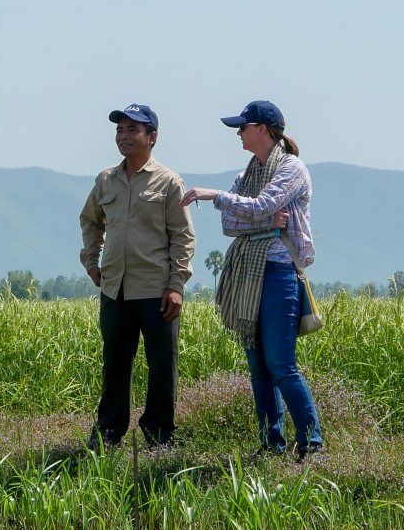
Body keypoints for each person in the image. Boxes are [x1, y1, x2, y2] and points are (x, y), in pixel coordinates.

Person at [180, 100, 324, 459]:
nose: (239, 134)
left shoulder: (292, 169)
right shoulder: (246, 175)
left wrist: (216, 195)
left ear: (262, 129)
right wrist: (262, 224)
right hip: (249, 274)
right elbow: (231, 224)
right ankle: (270, 443)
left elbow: (259, 204)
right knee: (258, 366)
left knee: (281, 365)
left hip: (278, 275)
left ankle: (312, 442)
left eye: (243, 127)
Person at [79, 103, 196, 448]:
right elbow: (89, 220)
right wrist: (91, 260)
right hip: (114, 288)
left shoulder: (169, 182)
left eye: (132, 130)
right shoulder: (105, 179)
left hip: (156, 290)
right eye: (120, 130)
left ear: (152, 137)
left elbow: (183, 236)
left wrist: (176, 286)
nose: (124, 136)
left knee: (162, 366)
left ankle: (160, 435)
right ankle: (109, 433)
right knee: (115, 362)